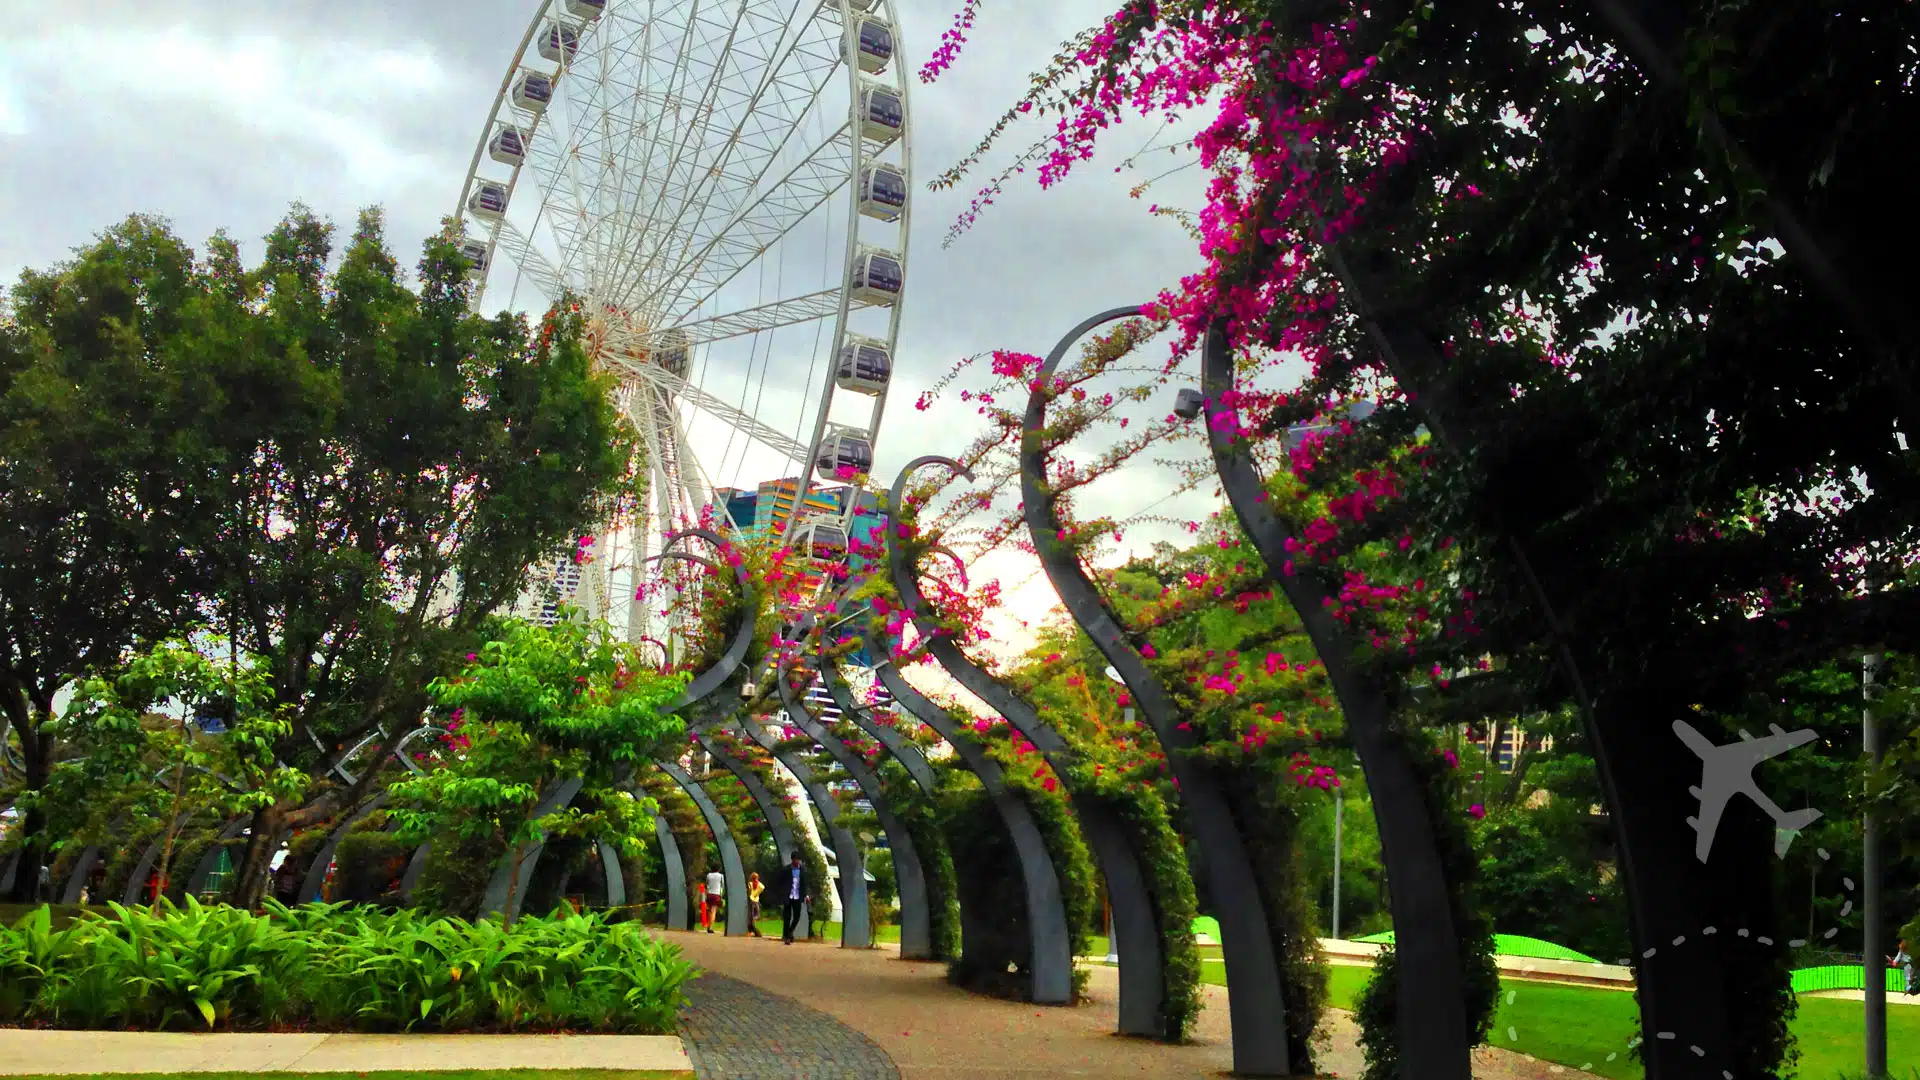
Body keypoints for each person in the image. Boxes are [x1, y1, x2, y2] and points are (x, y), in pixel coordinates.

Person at [779, 852, 809, 945]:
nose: (797, 861)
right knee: (787, 917)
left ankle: (790, 932)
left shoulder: (802, 870)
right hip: (788, 896)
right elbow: (781, 883)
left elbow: (804, 883)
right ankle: (787, 937)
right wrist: (783, 894)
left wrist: (806, 894)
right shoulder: (787, 869)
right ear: (792, 860)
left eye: (798, 859)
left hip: (797, 896)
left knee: (797, 916)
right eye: (795, 859)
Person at [703, 867, 725, 933]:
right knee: (713, 911)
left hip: (709, 894)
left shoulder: (709, 875)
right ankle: (709, 927)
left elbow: (706, 884)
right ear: (719, 869)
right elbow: (723, 885)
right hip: (716, 894)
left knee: (709, 911)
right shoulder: (721, 876)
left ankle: (708, 925)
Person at [747, 872, 765, 937]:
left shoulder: (750, 883)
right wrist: (757, 893)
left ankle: (751, 928)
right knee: (756, 914)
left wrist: (752, 894)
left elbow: (749, 891)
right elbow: (763, 887)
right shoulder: (759, 884)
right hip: (756, 900)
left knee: (751, 915)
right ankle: (752, 925)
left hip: (751, 900)